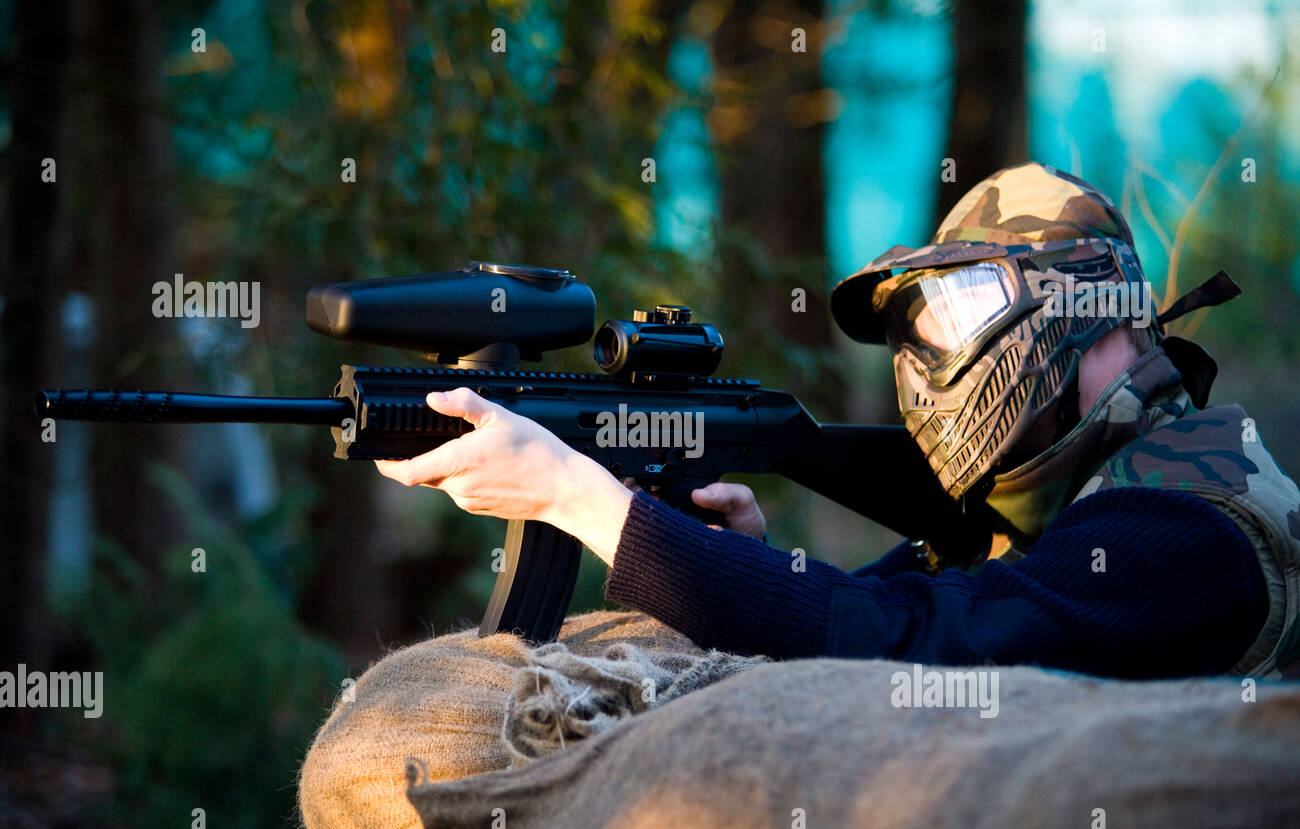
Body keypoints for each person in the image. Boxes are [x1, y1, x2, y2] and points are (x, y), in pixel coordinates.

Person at [375, 163, 1300, 680]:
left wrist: (587, 505)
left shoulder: (1193, 521)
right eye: (914, 336)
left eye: (956, 313)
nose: (931, 363)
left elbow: (927, 643)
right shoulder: (1056, 507)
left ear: (1091, 308)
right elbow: (865, 612)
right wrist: (747, 551)